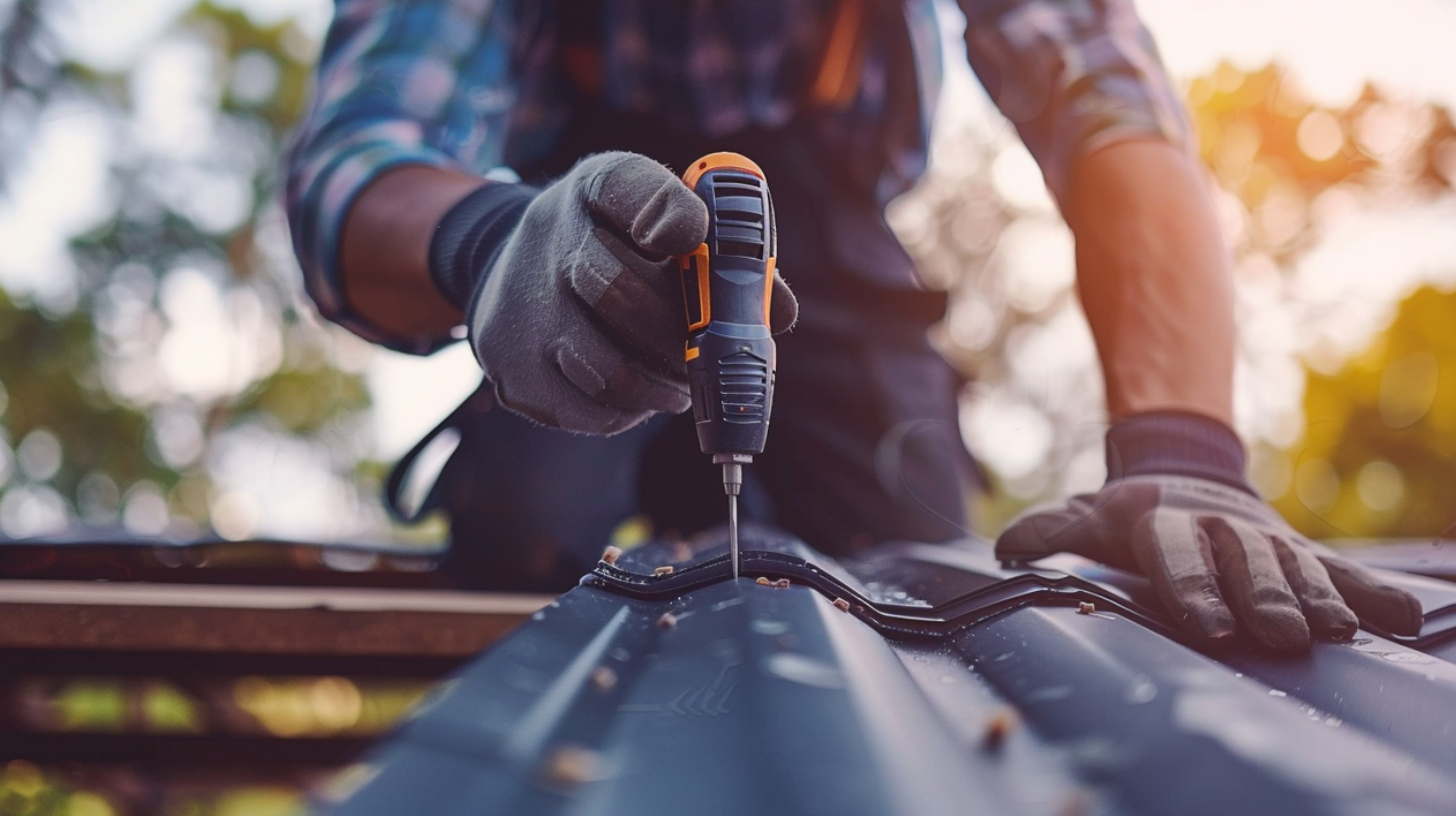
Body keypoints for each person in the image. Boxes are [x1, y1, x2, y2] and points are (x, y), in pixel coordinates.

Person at [285, 0, 1422, 651]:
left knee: (928, 586)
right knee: (527, 538)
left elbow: (1107, 100)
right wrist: (486, 245)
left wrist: (1181, 448)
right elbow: (356, 163)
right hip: (569, 240)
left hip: (837, 251)